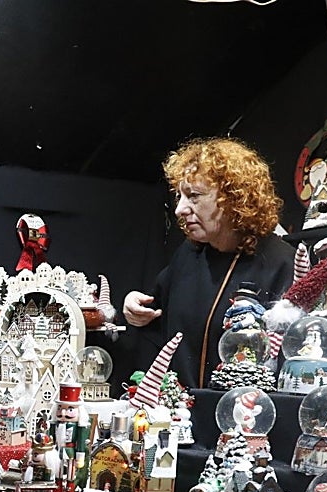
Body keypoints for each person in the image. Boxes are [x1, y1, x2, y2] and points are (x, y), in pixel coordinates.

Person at [122, 137, 296, 388]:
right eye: (179, 196)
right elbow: (153, 312)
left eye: (194, 196)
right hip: (180, 407)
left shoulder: (280, 262)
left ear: (233, 198)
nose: (180, 209)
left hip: (244, 409)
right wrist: (133, 307)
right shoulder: (188, 255)